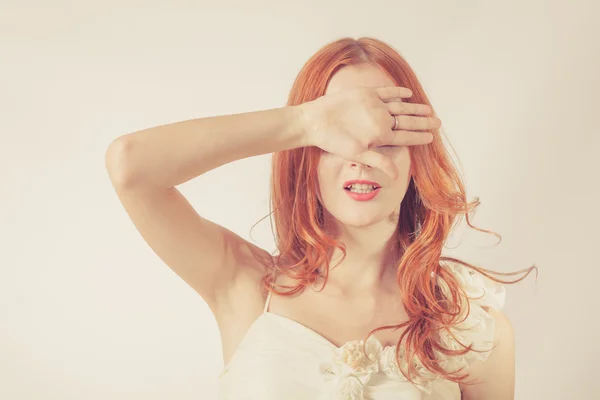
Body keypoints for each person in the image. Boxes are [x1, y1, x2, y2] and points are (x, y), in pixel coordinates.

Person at [105, 37, 536, 400]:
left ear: (416, 154)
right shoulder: (243, 283)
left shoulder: (472, 328)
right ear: (306, 152)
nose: (361, 156)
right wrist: (306, 120)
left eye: (385, 133)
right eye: (338, 134)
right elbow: (130, 165)